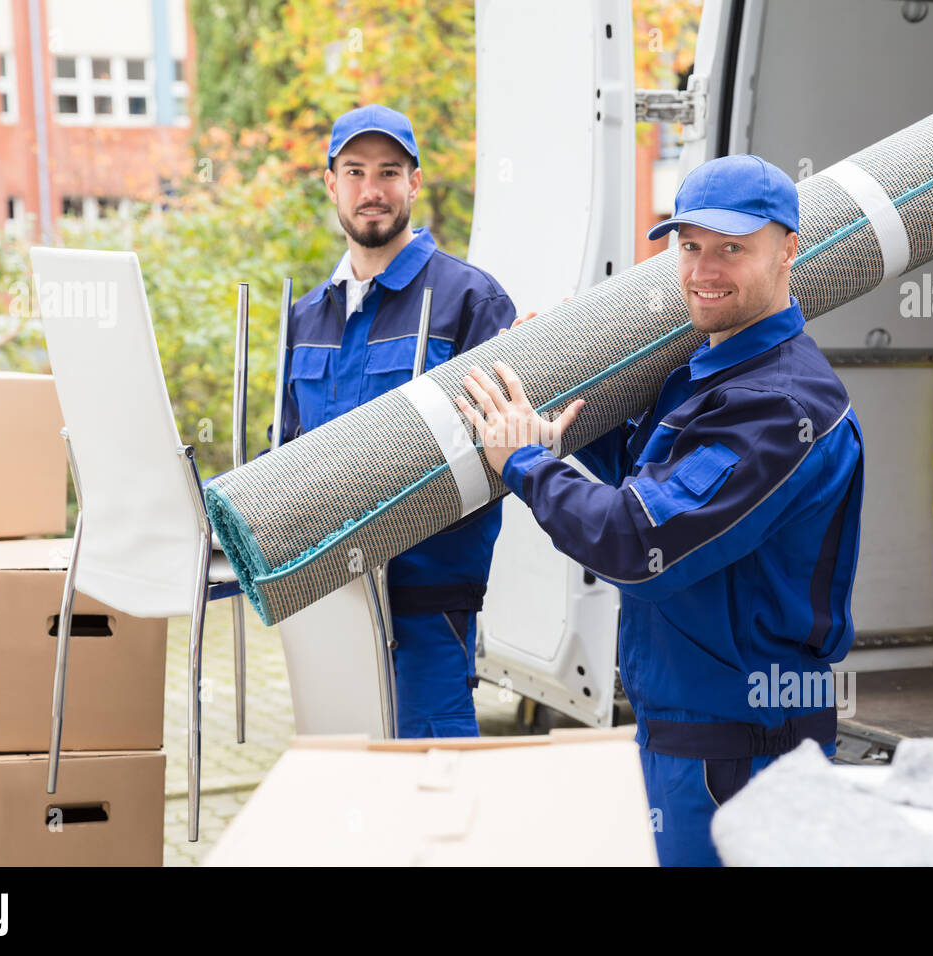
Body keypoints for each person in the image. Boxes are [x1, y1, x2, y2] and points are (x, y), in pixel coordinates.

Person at [455, 154, 865, 865]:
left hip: (741, 756)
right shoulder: (711, 373)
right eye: (690, 246)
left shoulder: (780, 407)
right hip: (691, 737)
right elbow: (652, 484)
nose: (704, 270)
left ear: (788, 248)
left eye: (731, 248)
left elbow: (637, 543)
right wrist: (563, 398)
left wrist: (526, 463)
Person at [278, 104, 517, 737]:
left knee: (434, 798)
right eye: (354, 172)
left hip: (426, 610)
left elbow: (500, 460)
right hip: (326, 604)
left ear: (414, 183)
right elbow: (282, 458)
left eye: (389, 172)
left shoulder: (471, 300)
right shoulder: (306, 318)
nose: (372, 190)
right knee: (346, 796)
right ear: (332, 185)